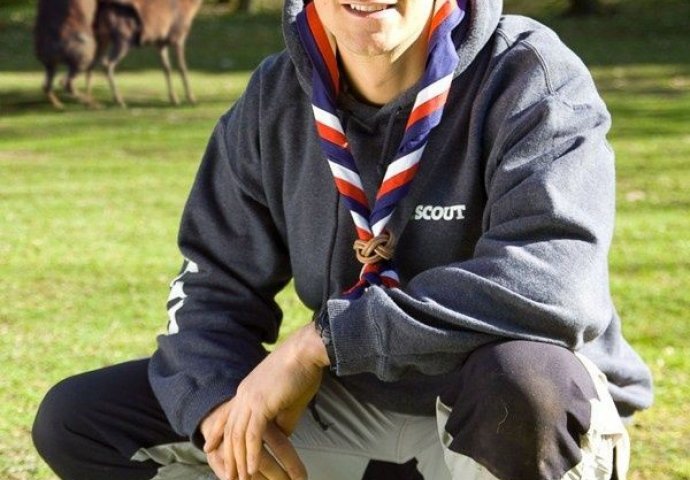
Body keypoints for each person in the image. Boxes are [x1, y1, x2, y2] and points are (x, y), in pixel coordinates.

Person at [32, 0, 654, 478]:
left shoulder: (530, 78)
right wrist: (221, 409)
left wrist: (322, 342)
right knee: (81, 421)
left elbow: (553, 284)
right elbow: (212, 283)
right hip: (348, 412)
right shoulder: (275, 98)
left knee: (523, 385)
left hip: (499, 417)